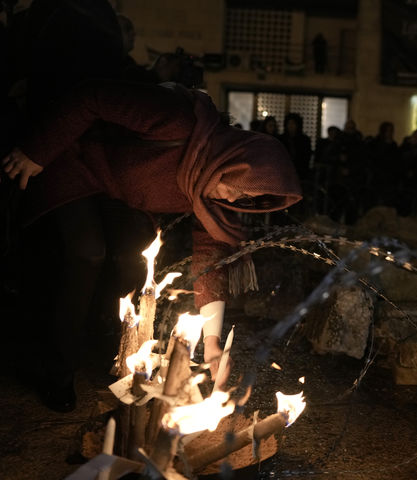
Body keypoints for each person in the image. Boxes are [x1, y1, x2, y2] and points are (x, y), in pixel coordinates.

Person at [1, 80, 302, 411]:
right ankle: (55, 372)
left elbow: (209, 261)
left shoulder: (208, 190)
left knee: (130, 259)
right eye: (239, 188)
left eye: (245, 199)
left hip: (117, 195)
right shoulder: (177, 118)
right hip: (73, 161)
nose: (233, 199)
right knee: (87, 253)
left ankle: (106, 351)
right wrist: (37, 150)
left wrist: (213, 343)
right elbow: (92, 95)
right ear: (234, 160)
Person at [279, 112, 313, 182]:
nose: (291, 126)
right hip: (283, 169)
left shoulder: (304, 140)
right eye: (289, 123)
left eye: (293, 123)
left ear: (298, 125)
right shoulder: (281, 138)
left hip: (299, 170)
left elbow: (306, 156)